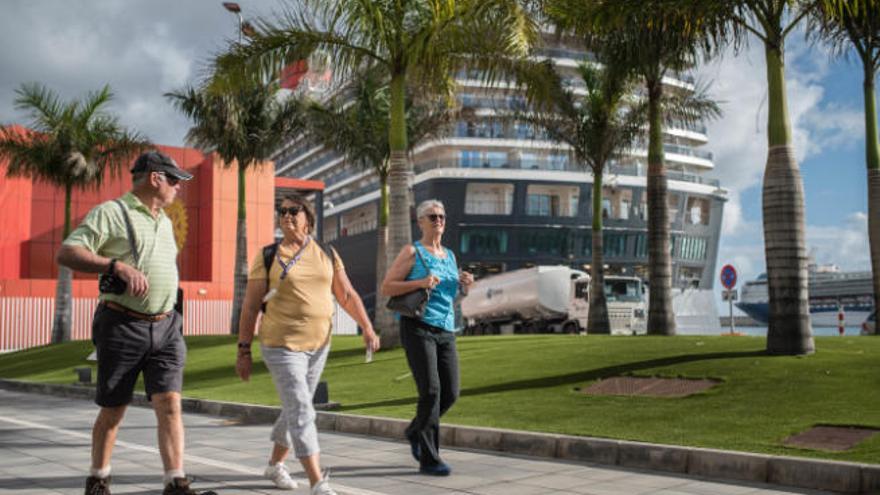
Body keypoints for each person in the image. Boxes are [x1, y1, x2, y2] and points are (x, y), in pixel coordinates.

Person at [57, 150, 216, 495]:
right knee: (114, 410)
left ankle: (176, 482)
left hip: (167, 325)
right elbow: (68, 252)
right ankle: (98, 479)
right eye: (173, 180)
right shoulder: (112, 213)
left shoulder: (163, 219)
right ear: (155, 178)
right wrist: (116, 266)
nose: (178, 187)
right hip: (122, 324)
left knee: (170, 404)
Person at [236, 194, 380, 495]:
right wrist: (244, 350)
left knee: (294, 408)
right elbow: (250, 308)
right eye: (282, 211)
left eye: (293, 210)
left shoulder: (327, 252)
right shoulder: (268, 256)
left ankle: (275, 465)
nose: (286, 215)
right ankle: (318, 482)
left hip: (319, 345)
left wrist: (367, 326)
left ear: (308, 218)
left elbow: (347, 295)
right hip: (281, 345)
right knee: (302, 408)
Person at [381, 199, 474, 476]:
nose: (438, 221)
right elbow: (387, 287)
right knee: (431, 392)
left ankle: (414, 429)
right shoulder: (413, 251)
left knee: (451, 393)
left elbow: (452, 298)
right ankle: (430, 459)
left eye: (442, 217)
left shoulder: (450, 256)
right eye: (432, 217)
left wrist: (465, 286)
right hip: (417, 326)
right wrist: (420, 282)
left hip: (446, 330)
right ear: (420, 221)